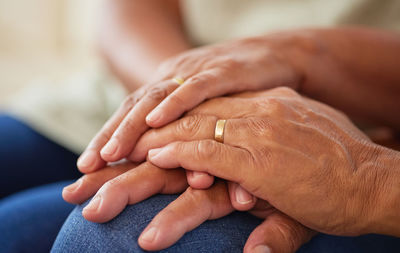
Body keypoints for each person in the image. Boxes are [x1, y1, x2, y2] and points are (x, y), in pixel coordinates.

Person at [1, 0, 400, 252]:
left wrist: (367, 176)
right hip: (137, 93)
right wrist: (192, 97)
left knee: (111, 236)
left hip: (333, 139)